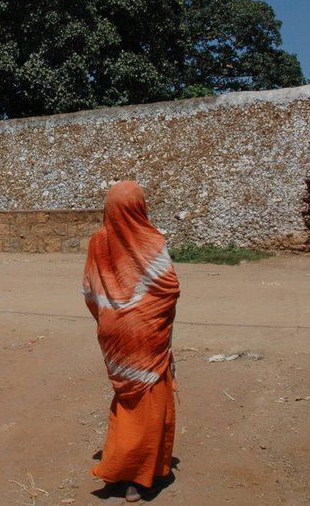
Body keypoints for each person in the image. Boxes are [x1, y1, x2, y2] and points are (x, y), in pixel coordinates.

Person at [82, 180, 180, 502]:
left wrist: (111, 317)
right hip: (146, 335)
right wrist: (148, 320)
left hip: (115, 338)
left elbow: (89, 291)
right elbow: (168, 290)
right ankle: (138, 475)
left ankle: (121, 466)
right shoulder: (150, 241)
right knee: (147, 404)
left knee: (126, 400)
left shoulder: (98, 242)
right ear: (140, 206)